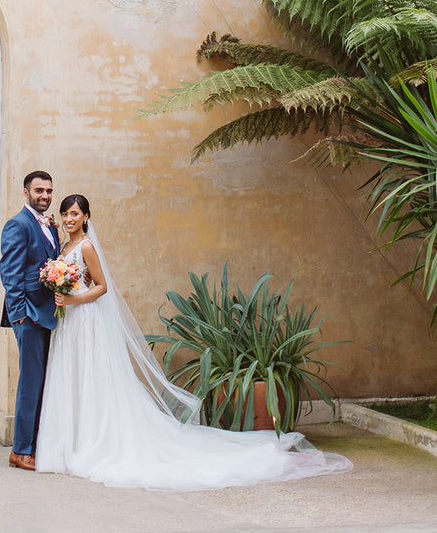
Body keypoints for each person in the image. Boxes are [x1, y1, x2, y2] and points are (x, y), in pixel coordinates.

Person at [35, 194, 353, 491]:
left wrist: (73, 300)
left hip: (86, 321)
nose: (68, 218)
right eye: (65, 214)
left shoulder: (87, 246)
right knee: (73, 378)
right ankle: (73, 440)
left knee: (92, 379)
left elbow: (102, 287)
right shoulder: (64, 247)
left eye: (74, 213)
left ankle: (94, 442)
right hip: (70, 324)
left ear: (86, 216)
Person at [0, 171, 60, 471]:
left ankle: (37, 444)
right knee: (30, 382)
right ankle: (20, 450)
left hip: (49, 315)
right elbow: (10, 275)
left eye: (48, 191)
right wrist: (20, 314)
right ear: (26, 193)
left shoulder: (49, 226)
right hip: (29, 316)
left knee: (44, 381)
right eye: (39, 191)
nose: (45, 196)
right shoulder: (18, 224)